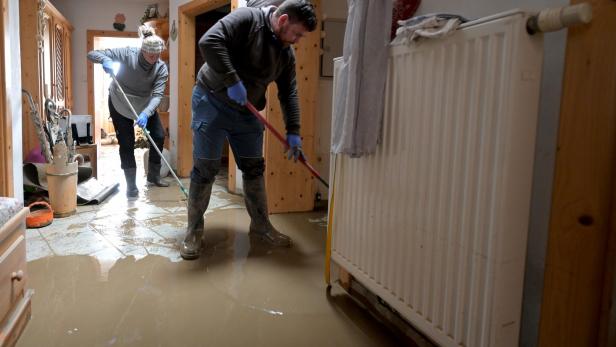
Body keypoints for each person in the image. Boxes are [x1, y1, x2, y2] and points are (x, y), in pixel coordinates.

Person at [181, 0, 317, 260]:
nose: (298, 40)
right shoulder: (247, 19)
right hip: (212, 100)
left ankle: (261, 226)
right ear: (284, 20)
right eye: (297, 33)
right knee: (205, 168)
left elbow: (289, 92)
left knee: (254, 168)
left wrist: (294, 131)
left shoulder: (285, 53)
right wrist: (232, 80)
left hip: (248, 111)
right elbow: (209, 42)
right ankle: (194, 231)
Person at [87, 24, 169, 199]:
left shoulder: (161, 68)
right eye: (150, 55)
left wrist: (147, 113)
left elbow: (157, 95)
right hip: (120, 101)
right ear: (142, 51)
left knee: (159, 135)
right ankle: (131, 185)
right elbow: (92, 53)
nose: (154, 59)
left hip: (145, 103)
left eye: (157, 55)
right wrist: (105, 60)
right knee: (126, 141)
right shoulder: (127, 54)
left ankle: (154, 176)